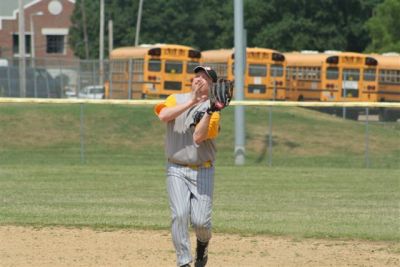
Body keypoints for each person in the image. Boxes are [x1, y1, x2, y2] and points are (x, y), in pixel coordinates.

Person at [154, 66, 221, 267]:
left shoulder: (214, 109)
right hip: (175, 168)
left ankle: (202, 244)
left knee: (201, 223)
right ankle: (183, 261)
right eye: (197, 76)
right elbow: (164, 116)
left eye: (205, 78)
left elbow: (198, 137)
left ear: (212, 85)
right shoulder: (176, 98)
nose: (199, 79)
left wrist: (210, 109)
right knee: (179, 214)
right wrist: (191, 100)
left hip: (203, 169)